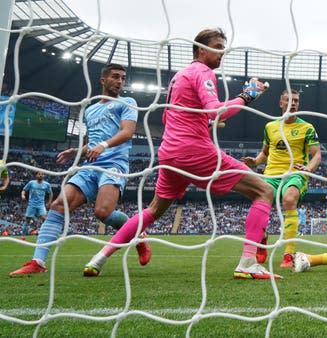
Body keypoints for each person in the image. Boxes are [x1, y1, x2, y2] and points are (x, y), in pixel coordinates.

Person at [83, 28, 279, 280]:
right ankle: (248, 262)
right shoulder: (202, 71)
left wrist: (203, 124)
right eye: (217, 46)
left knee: (153, 209)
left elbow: (171, 117)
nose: (222, 52)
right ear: (200, 49)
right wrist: (247, 96)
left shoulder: (179, 76)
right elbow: (216, 112)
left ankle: (98, 258)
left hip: (169, 153)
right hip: (194, 151)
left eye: (224, 47)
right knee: (264, 191)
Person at [10, 64, 151, 276]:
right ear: (103, 80)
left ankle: (138, 234)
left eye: (123, 78)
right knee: (59, 205)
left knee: (103, 213)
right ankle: (38, 262)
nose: (120, 81)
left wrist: (103, 146)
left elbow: (128, 132)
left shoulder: (128, 102)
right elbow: (92, 143)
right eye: (115, 77)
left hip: (114, 165)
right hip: (90, 167)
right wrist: (77, 150)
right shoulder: (91, 110)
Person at [242, 89, 321, 268]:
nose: (293, 103)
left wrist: (308, 168)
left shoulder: (307, 127)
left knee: (289, 199)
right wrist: (254, 162)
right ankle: (261, 241)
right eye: (289, 100)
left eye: (296, 101)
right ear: (281, 103)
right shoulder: (270, 127)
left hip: (295, 174)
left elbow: (317, 155)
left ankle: (288, 255)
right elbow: (265, 153)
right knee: (258, 202)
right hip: (271, 174)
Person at [20, 171, 53, 239]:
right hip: (31, 204)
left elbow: (50, 193)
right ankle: (23, 235)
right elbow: (24, 190)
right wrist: (23, 195)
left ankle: (45, 234)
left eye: (42, 174)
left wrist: (49, 202)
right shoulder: (31, 183)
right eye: (39, 174)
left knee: (45, 218)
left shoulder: (47, 184)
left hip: (41, 205)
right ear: (36, 175)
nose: (41, 175)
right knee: (27, 220)